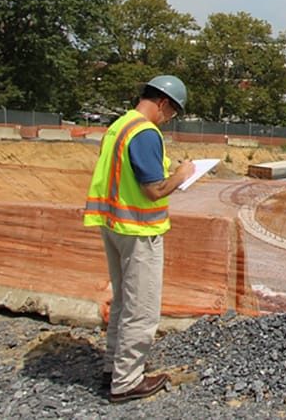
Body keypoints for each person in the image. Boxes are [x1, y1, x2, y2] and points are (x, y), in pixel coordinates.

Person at [83, 75, 195, 403]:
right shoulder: (146, 132)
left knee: (122, 301)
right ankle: (128, 381)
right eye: (172, 112)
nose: (170, 119)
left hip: (114, 225)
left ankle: (113, 369)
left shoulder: (120, 126)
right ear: (162, 103)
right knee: (141, 308)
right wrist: (182, 175)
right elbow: (153, 189)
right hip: (138, 230)